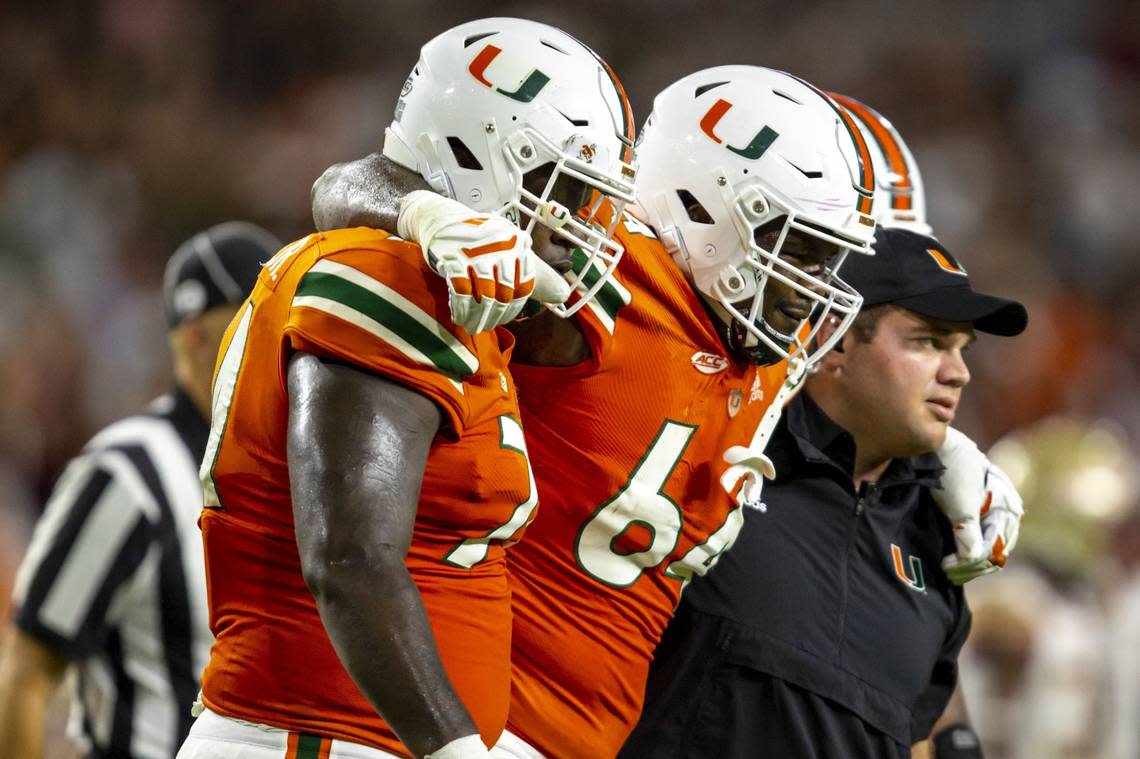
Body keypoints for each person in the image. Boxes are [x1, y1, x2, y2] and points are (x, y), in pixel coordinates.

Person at [312, 61, 881, 758]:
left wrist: (950, 462)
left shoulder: (771, 355)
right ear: (702, 206)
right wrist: (428, 215)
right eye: (795, 247)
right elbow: (343, 185)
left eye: (828, 259)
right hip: (459, 716)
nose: (810, 287)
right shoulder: (609, 279)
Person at [176, 19, 637, 759]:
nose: (580, 223)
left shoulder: (429, 284)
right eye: (565, 190)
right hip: (318, 736)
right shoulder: (385, 278)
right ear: (478, 157)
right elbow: (351, 560)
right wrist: (456, 751)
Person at [617, 224, 1028, 759]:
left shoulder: (939, 537)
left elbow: (918, 727)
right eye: (927, 341)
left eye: (961, 348)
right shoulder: (723, 454)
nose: (959, 373)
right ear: (834, 341)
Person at [0, 222, 280, 759]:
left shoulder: (297, 473)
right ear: (196, 337)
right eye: (257, 319)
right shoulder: (129, 474)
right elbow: (28, 670)